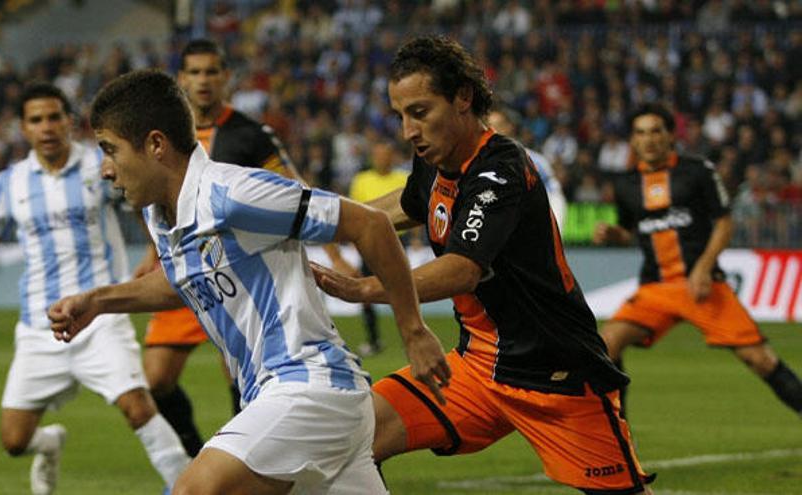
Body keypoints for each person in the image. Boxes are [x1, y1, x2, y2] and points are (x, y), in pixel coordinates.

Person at [48, 69, 450, 495]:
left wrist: (414, 331)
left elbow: (370, 225)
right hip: (297, 401)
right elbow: (181, 279)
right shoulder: (162, 213)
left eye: (110, 151)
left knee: (193, 491)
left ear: (155, 145)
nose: (105, 170)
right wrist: (98, 300)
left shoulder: (233, 193)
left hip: (307, 387)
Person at [311, 35, 654, 494]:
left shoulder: (500, 169)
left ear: (462, 98)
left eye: (420, 112)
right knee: (348, 438)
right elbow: (400, 207)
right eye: (400, 116)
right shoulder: (433, 162)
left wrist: (367, 289)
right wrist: (324, 220)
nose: (408, 131)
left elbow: (462, 268)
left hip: (555, 374)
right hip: (474, 369)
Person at [0, 82, 189, 495]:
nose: (47, 127)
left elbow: (141, 203)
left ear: (68, 120)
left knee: (137, 408)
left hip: (99, 317)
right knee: (14, 441)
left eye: (54, 117)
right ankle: (50, 443)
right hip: (39, 326)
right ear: (23, 128)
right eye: (36, 119)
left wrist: (154, 249)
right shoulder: (11, 182)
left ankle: (189, 486)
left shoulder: (101, 164)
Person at [138, 38, 353, 457]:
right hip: (182, 269)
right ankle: (194, 456)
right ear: (181, 79)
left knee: (242, 378)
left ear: (226, 77)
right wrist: (151, 255)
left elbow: (298, 194)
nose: (203, 80)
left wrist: (334, 253)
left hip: (235, 272)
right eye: (195, 72)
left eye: (211, 71)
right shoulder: (162, 137)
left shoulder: (250, 134)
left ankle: (250, 462)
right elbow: (152, 199)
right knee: (157, 379)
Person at [593, 102, 802, 417]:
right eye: (640, 133)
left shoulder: (697, 171)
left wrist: (704, 267)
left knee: (760, 360)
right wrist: (613, 235)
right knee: (605, 346)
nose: (648, 140)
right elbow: (630, 231)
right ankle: (618, 442)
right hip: (656, 289)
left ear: (670, 136)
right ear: (633, 140)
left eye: (655, 131)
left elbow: (724, 222)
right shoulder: (626, 184)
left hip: (703, 286)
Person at [347, 139, 410, 357]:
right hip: (369, 242)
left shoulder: (402, 178)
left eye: (385, 154)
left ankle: (412, 337)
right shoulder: (361, 180)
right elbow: (353, 212)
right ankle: (373, 340)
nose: (381, 158)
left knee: (403, 291)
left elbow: (414, 210)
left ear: (392, 156)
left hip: (397, 242)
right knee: (366, 292)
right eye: (378, 154)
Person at [487, 106, 568, 231]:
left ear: (510, 127)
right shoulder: (481, 162)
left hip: (535, 219)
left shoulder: (533, 160)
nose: (494, 131)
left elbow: (554, 194)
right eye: (490, 127)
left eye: (498, 126)